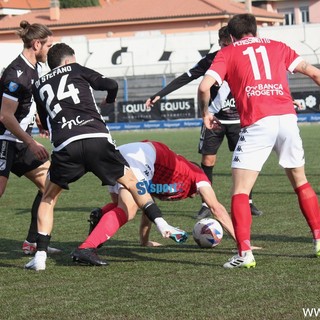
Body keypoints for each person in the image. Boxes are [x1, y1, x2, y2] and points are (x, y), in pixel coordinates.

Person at [25, 43, 187, 271]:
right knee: (132, 183)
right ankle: (161, 223)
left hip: (67, 145)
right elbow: (111, 84)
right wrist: (110, 99)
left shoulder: (39, 84)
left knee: (48, 198)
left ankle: (40, 256)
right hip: (96, 139)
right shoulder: (76, 69)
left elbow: (44, 119)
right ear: (69, 61)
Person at [198, 13, 320, 269]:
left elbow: (204, 87)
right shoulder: (278, 46)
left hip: (258, 122)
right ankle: (319, 240)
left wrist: (205, 113)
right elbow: (313, 73)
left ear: (231, 36)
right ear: (254, 30)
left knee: (240, 190)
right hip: (287, 119)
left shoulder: (228, 52)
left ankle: (245, 254)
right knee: (301, 181)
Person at [145, 26, 262, 218]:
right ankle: (206, 204)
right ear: (219, 43)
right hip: (213, 119)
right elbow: (186, 77)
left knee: (245, 162)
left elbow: (261, 83)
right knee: (208, 160)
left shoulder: (244, 58)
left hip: (238, 118)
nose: (226, 48)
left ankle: (248, 200)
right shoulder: (211, 60)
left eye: (229, 44)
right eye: (223, 45)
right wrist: (160, 94)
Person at [71, 140, 236, 266]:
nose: (192, 197)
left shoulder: (167, 178)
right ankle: (86, 248)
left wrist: (145, 242)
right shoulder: (198, 175)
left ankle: (100, 215)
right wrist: (241, 242)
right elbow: (216, 208)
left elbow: (147, 207)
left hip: (123, 153)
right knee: (127, 210)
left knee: (119, 206)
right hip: (139, 157)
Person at [0, 20, 60, 255]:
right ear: (37, 44)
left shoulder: (34, 68)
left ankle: (33, 242)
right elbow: (5, 116)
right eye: (49, 45)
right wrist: (31, 142)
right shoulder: (17, 74)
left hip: (20, 139)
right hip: (5, 140)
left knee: (52, 184)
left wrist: (36, 121)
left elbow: (23, 105)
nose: (51, 50)